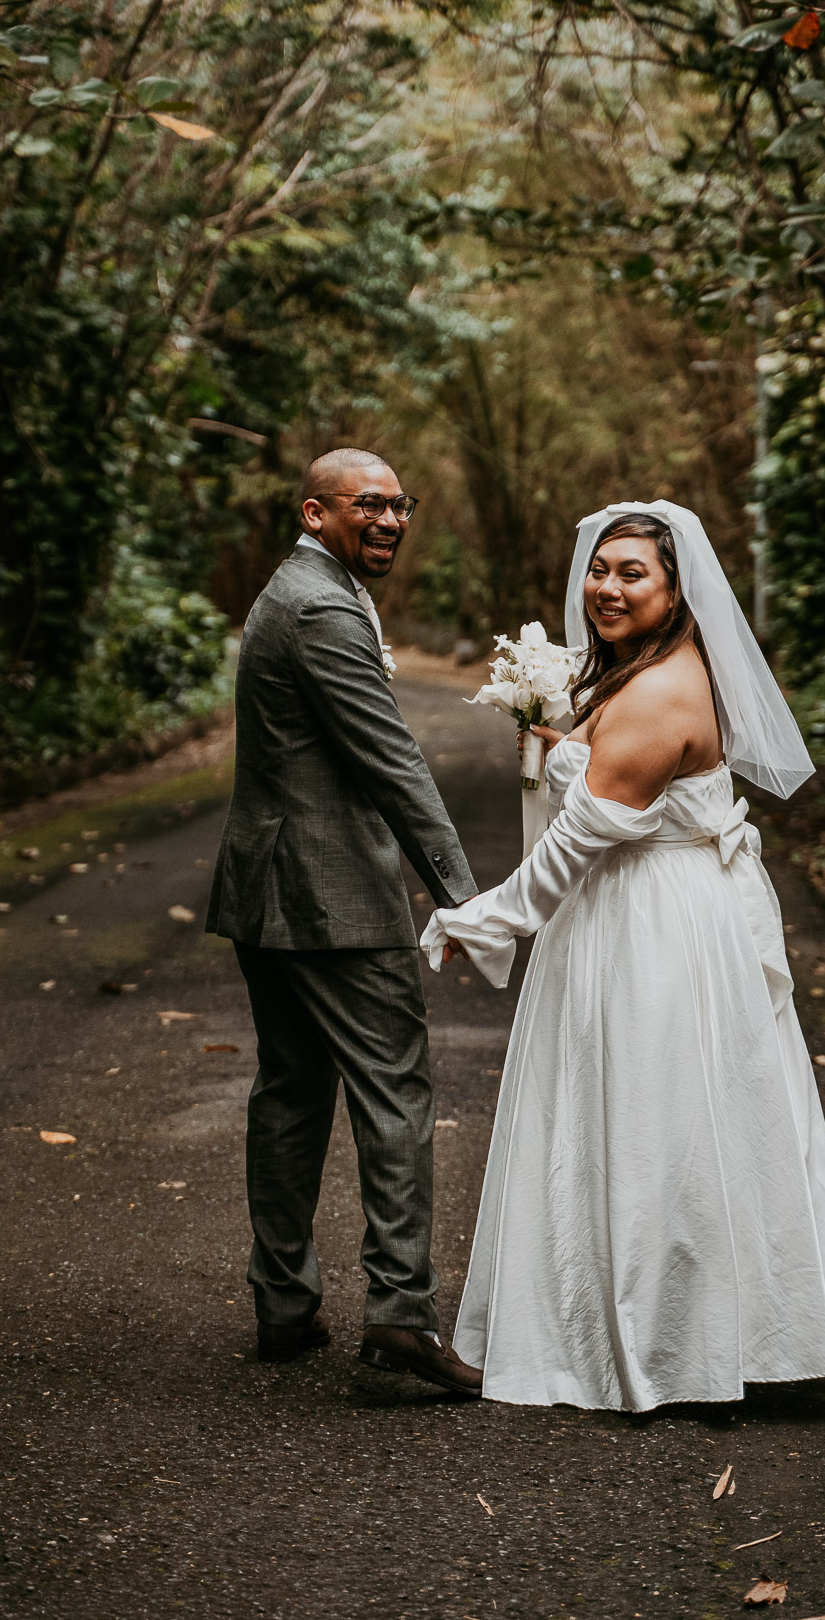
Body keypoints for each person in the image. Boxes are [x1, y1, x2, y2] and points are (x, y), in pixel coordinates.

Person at [421, 501, 825, 1411]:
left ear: (679, 588)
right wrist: (566, 750)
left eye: (631, 572)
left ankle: (665, 1342)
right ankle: (718, 1327)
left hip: (651, 928)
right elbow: (616, 782)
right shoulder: (655, 671)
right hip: (663, 904)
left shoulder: (654, 692)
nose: (605, 586)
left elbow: (574, 849)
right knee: (696, 1117)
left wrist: (479, 919)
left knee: (653, 1123)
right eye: (600, 569)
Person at [206, 446, 483, 1396]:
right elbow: (391, 759)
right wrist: (462, 892)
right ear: (315, 512)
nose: (392, 519)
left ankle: (284, 1305)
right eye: (369, 504)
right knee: (394, 1093)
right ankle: (401, 1319)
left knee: (290, 1090)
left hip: (268, 888)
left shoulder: (299, 587)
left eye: (401, 504)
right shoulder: (321, 607)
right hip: (330, 898)